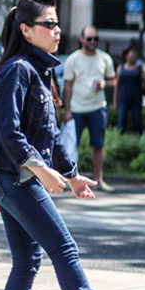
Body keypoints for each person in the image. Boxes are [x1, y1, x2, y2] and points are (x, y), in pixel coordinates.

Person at [0, 0, 145, 290]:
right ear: (27, 30)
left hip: (14, 175)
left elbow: (52, 136)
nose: (58, 30)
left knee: (27, 262)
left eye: (58, 23)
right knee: (65, 250)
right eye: (49, 24)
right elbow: (9, 133)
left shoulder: (40, 72)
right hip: (9, 175)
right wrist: (40, 169)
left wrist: (73, 176)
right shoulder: (17, 71)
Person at [62, 25, 116, 191]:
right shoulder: (73, 59)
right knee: (71, 145)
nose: (93, 42)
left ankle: (99, 180)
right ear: (82, 39)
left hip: (97, 108)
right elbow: (68, 85)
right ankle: (68, 179)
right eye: (89, 39)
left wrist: (104, 84)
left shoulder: (105, 58)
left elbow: (113, 81)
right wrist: (67, 110)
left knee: (98, 146)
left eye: (96, 39)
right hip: (77, 108)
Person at [113, 44, 145, 134]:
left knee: (137, 122)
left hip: (136, 99)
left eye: (134, 54)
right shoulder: (120, 68)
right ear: (126, 56)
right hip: (124, 99)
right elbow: (116, 85)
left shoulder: (139, 69)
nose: (133, 56)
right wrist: (115, 101)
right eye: (131, 53)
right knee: (121, 122)